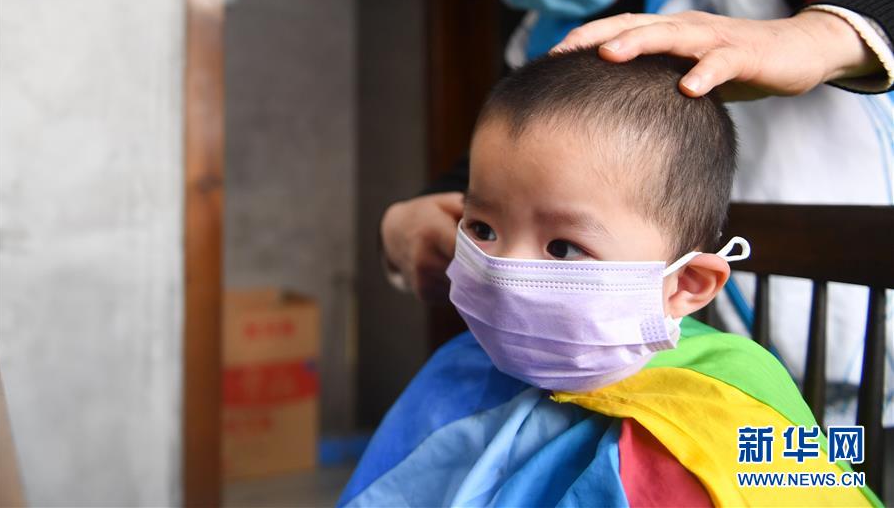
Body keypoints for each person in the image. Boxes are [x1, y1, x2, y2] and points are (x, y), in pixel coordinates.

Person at [380, 0, 893, 419]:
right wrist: (409, 218)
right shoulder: (533, 46)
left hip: (864, 320)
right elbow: (498, 177)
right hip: (702, 370)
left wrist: (814, 39)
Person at [343, 51, 879, 507]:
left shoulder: (731, 421)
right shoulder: (459, 369)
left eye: (563, 247)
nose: (505, 272)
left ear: (686, 284)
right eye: (483, 228)